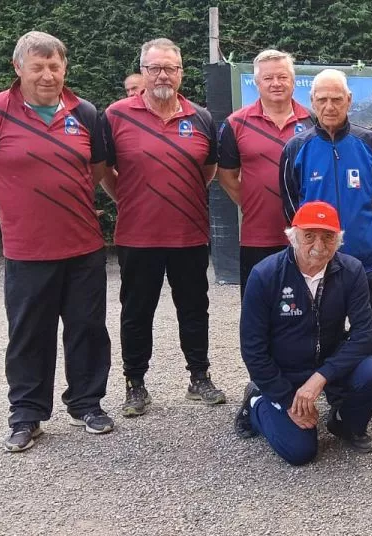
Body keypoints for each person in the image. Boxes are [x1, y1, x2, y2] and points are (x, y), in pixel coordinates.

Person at [0, 31, 114, 452]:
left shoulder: (85, 112)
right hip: (27, 249)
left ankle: (87, 404)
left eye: (55, 66)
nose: (47, 75)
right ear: (18, 68)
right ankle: (26, 415)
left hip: (83, 244)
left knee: (86, 328)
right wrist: (16, 196)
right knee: (29, 333)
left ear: (64, 68)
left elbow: (97, 169)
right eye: (38, 66)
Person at [97, 38, 224, 416]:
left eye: (170, 67)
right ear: (143, 72)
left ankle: (199, 377)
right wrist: (131, 197)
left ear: (181, 72)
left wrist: (176, 196)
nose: (163, 74)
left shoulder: (201, 117)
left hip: (189, 233)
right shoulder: (116, 115)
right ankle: (135, 384)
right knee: (136, 312)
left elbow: (208, 170)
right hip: (138, 234)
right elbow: (104, 171)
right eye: (154, 68)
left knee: (194, 307)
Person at [278, 69, 372, 420]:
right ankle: (325, 391)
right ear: (312, 103)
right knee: (321, 328)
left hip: (367, 260)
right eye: (322, 99)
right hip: (318, 263)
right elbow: (291, 206)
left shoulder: (371, 143)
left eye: (337, 98)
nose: (329, 105)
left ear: (349, 101)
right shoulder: (297, 148)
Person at [234, 202, 372, 465]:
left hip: (328, 366)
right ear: (293, 236)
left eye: (328, 236)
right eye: (309, 236)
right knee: (300, 452)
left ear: (338, 240)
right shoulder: (265, 275)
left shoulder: (351, 271)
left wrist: (320, 378)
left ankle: (344, 423)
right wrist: (286, 399)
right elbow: (253, 349)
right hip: (284, 372)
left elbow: (365, 334)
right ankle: (257, 403)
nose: (319, 245)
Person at [218, 50, 313, 296]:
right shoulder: (235, 123)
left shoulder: (314, 122)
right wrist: (252, 203)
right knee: (257, 311)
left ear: (293, 81)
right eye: (268, 78)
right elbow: (227, 176)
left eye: (282, 77)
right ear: (256, 83)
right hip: (256, 237)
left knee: (306, 311)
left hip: (307, 236)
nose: (276, 83)